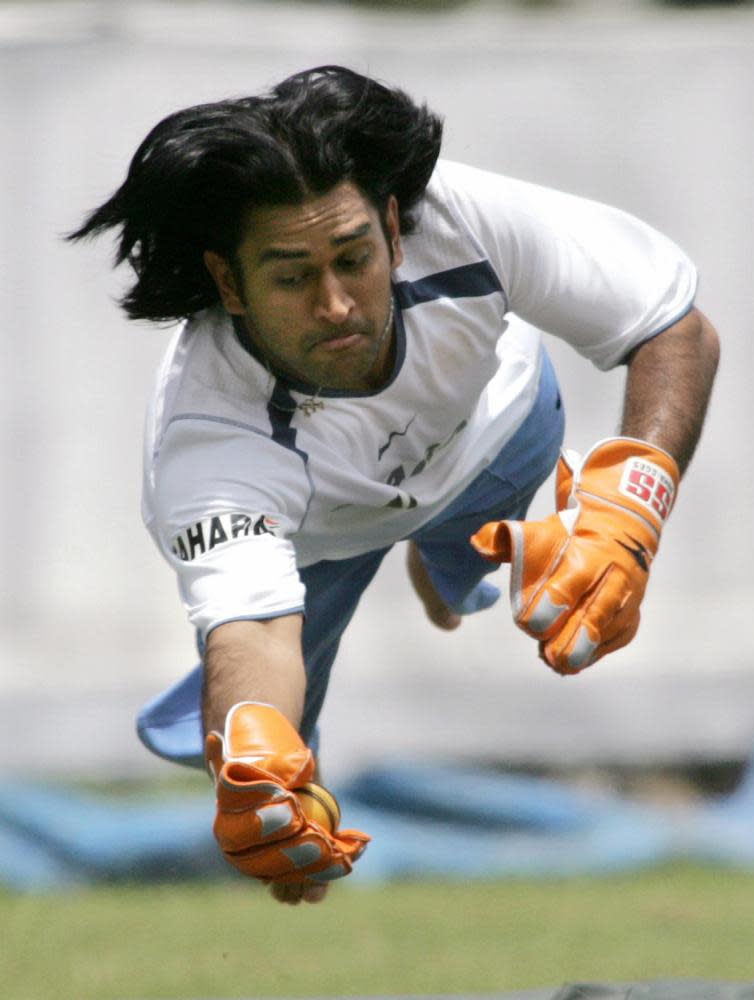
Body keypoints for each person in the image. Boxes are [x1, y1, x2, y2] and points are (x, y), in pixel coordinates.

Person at [69, 65, 719, 905]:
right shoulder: (206, 435)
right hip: (319, 540)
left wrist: (636, 510)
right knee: (265, 763)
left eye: (353, 258)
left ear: (393, 228)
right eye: (293, 277)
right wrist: (255, 773)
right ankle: (407, 616)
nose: (337, 304)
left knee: (463, 569)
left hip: (502, 439)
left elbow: (673, 328)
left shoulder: (465, 217)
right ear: (229, 283)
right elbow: (254, 637)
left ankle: (450, 576)